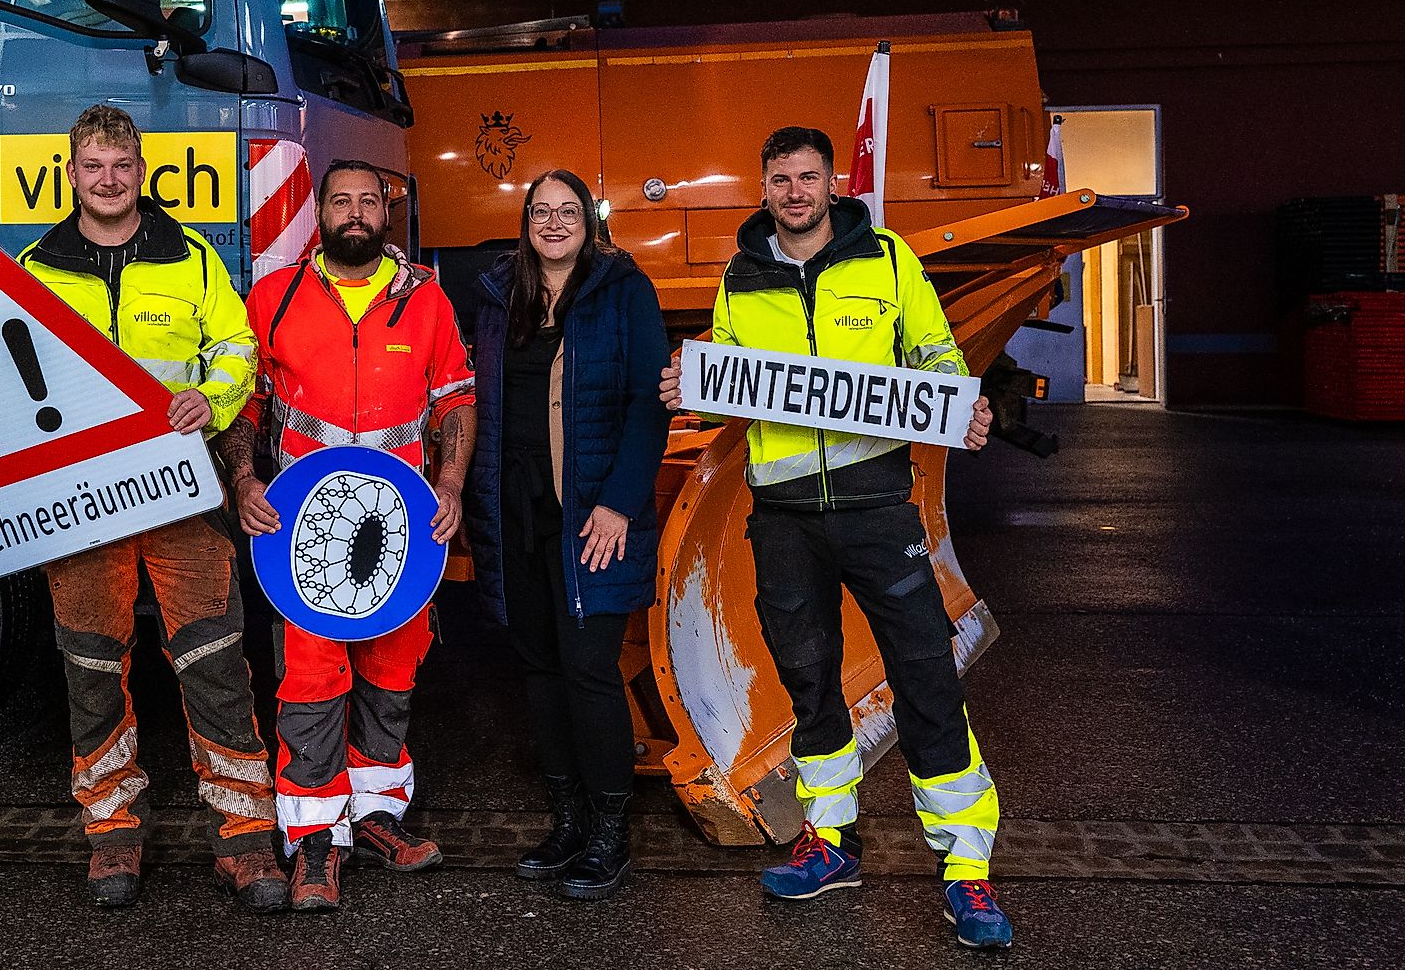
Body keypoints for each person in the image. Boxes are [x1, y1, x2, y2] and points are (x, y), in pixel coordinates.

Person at [659, 125, 1012, 950]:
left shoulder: (886, 260)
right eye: (780, 179)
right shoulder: (741, 277)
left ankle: (968, 870)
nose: (794, 192)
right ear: (765, 186)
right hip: (783, 513)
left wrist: (963, 402)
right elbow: (733, 383)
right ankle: (832, 840)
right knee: (807, 678)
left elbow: (932, 351)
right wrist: (694, 385)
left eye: (807, 177)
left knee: (926, 672)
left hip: (877, 506)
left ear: (830, 184)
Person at [0, 104, 285, 914]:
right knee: (91, 669)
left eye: (122, 165)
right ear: (72, 173)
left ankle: (244, 841)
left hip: (180, 496)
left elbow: (239, 353)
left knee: (216, 662)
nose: (109, 179)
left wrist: (212, 396)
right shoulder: (33, 266)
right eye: (93, 166)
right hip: (79, 507)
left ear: (140, 170)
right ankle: (113, 834)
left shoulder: (192, 259)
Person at [215, 158, 476, 913]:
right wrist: (243, 479)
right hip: (305, 527)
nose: (355, 213)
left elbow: (456, 397)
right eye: (341, 202)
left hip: (403, 526)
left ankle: (377, 816)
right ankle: (316, 840)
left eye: (368, 201)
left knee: (394, 666)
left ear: (385, 211)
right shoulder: (275, 296)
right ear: (321, 213)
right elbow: (244, 401)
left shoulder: (427, 298)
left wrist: (453, 483)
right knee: (312, 677)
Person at [462, 169, 670, 900]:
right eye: (541, 212)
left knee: (588, 668)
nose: (554, 223)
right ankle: (568, 820)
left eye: (568, 211)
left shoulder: (622, 290)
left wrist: (618, 503)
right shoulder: (497, 297)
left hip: (592, 517)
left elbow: (651, 406)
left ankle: (611, 832)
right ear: (525, 222)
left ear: (589, 221)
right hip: (514, 511)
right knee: (541, 669)